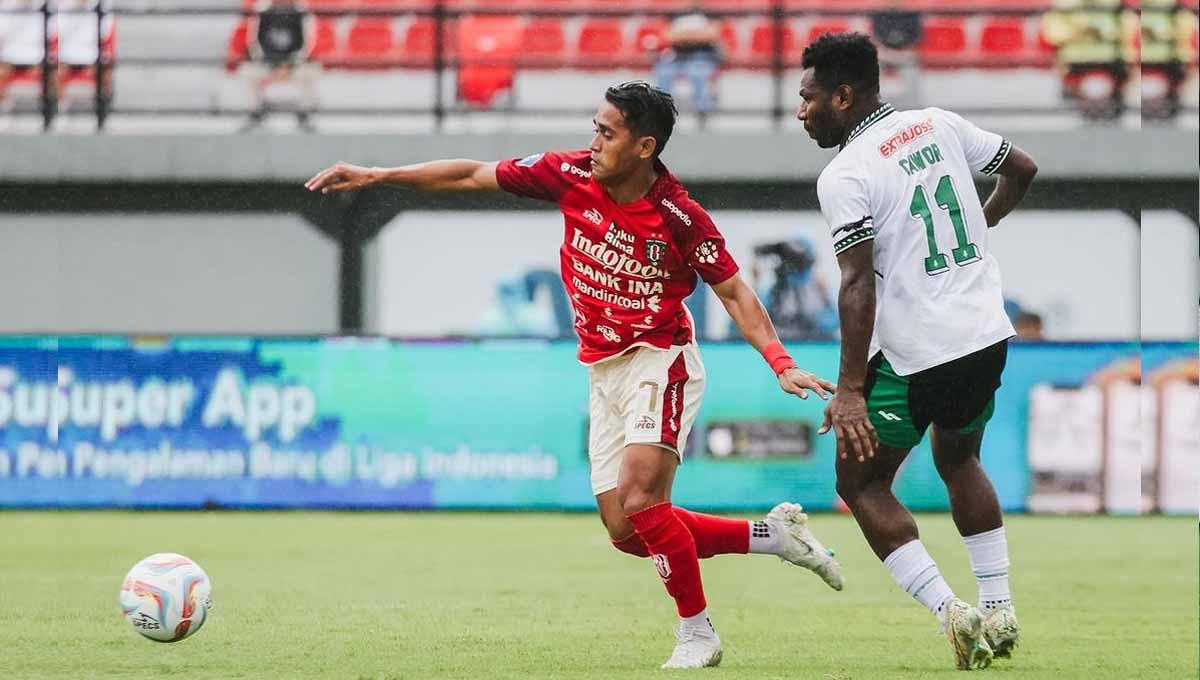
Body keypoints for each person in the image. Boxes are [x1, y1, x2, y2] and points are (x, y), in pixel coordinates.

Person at [307, 81, 844, 670]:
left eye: (605, 133)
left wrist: (782, 363)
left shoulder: (678, 215)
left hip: (659, 359)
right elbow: (471, 175)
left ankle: (698, 634)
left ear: (643, 146)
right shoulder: (569, 174)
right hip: (602, 369)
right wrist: (379, 175)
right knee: (627, 529)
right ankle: (773, 537)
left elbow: (735, 292)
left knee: (642, 498)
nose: (592, 143)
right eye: (594, 127)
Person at [795, 34, 1038, 670]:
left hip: (918, 353)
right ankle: (1001, 605)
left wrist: (850, 390)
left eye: (809, 97)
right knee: (960, 458)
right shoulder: (938, 124)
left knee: (861, 482)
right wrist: (974, 234)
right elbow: (1023, 169)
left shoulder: (845, 173)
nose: (801, 111)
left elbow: (854, 283)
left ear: (843, 97)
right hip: (986, 336)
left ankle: (951, 612)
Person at [240, 0, 318, 131]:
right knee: (247, 71)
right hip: (267, 62)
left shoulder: (302, 11)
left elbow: (308, 43)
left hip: (294, 63)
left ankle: (304, 114)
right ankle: (255, 112)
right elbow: (254, 43)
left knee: (312, 71)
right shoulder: (262, 10)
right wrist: (273, 65)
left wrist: (290, 65)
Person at [653, 4, 720, 121]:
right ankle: (663, 111)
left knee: (697, 73)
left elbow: (711, 35)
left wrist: (684, 36)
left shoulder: (708, 13)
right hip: (677, 56)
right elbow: (668, 37)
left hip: (701, 56)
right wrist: (695, 35)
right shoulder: (675, 13)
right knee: (664, 73)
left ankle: (702, 111)